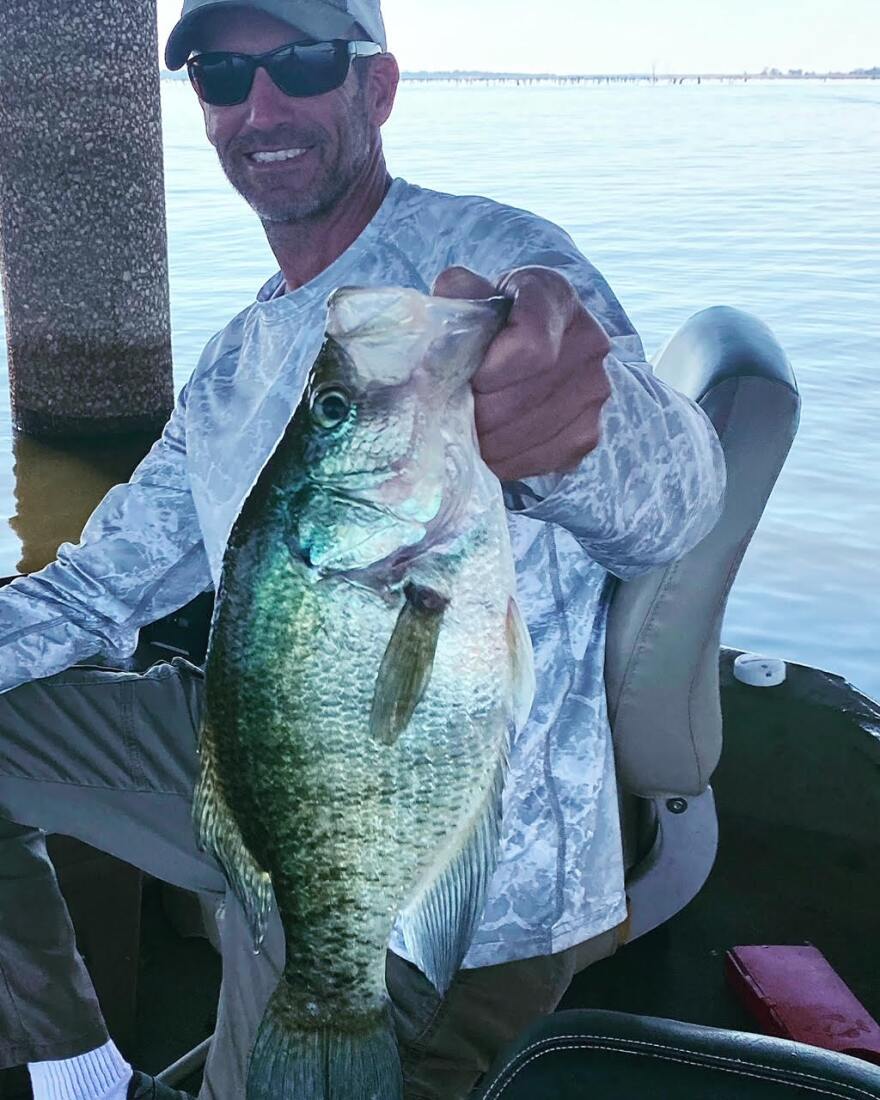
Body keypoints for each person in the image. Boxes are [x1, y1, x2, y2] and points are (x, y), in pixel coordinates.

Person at [0, 0, 727, 1097]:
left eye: (300, 63)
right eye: (222, 78)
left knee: (312, 1028)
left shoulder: (484, 268)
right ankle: (77, 1072)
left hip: (458, 859)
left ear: (374, 89)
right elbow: (99, 582)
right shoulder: (238, 357)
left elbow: (677, 499)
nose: (261, 106)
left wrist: (578, 428)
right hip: (264, 751)